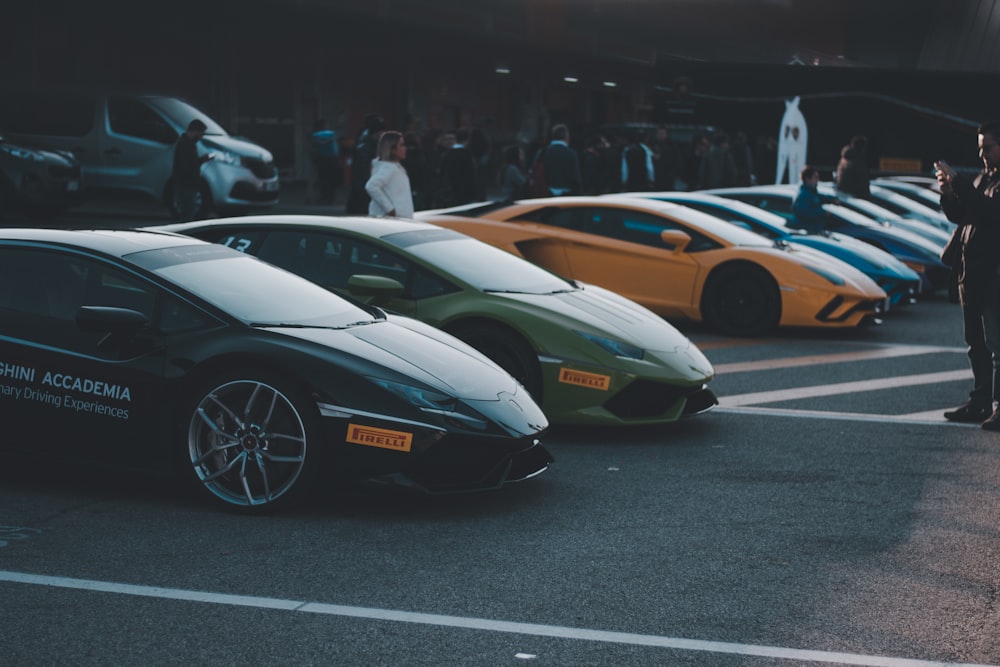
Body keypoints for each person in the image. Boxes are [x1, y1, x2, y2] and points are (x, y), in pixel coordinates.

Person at [937, 120, 1000, 428]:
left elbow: (988, 213)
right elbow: (962, 216)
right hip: (971, 274)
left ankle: (997, 406)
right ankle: (980, 402)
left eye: (987, 148)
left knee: (997, 344)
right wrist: (948, 193)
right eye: (979, 149)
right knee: (975, 343)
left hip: (994, 275)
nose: (983, 155)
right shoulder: (985, 177)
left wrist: (959, 183)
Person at [365, 130, 414, 219]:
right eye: (401, 145)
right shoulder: (388, 168)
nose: (405, 148)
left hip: (398, 219)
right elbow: (371, 186)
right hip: (391, 221)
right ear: (392, 149)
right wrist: (390, 209)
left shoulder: (394, 167)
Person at [172, 118, 213, 221]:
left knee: (187, 213)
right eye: (201, 134)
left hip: (186, 184)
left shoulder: (187, 143)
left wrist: (202, 160)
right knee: (187, 214)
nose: (201, 137)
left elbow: (189, 163)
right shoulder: (185, 144)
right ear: (195, 131)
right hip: (186, 184)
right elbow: (186, 166)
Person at [346, 113, 385, 214]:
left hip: (362, 186)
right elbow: (363, 170)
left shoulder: (363, 142)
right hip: (364, 188)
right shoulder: (366, 148)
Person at [436, 128, 478, 206]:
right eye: (447, 139)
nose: (449, 141)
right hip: (446, 192)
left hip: (459, 192)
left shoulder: (463, 154)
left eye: (452, 139)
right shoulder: (438, 154)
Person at [538, 123, 582, 196]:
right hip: (566, 194)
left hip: (547, 193)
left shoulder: (543, 152)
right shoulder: (570, 153)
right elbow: (575, 177)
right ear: (566, 136)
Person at [791, 165, 833, 234]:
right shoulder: (803, 195)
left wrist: (832, 200)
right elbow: (804, 213)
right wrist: (823, 213)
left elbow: (821, 197)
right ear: (808, 179)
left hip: (813, 230)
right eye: (815, 178)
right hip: (807, 232)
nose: (817, 180)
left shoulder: (811, 192)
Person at [309, 118, 340, 204]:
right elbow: (336, 148)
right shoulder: (332, 134)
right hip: (332, 159)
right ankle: (331, 197)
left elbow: (313, 148)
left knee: (323, 180)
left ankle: (324, 197)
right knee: (331, 180)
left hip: (321, 159)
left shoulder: (315, 135)